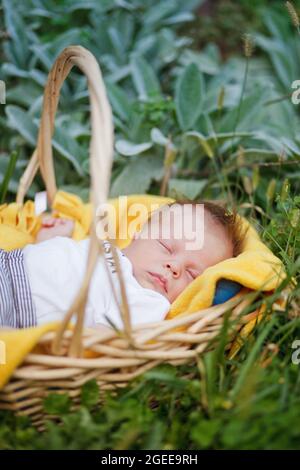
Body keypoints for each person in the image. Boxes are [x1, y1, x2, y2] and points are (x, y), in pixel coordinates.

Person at [0, 200, 247, 330]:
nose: (174, 267)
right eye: (166, 246)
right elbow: (62, 261)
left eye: (192, 275)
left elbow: (104, 339)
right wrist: (52, 238)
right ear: (138, 233)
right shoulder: (106, 246)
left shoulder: (148, 301)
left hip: (19, 311)